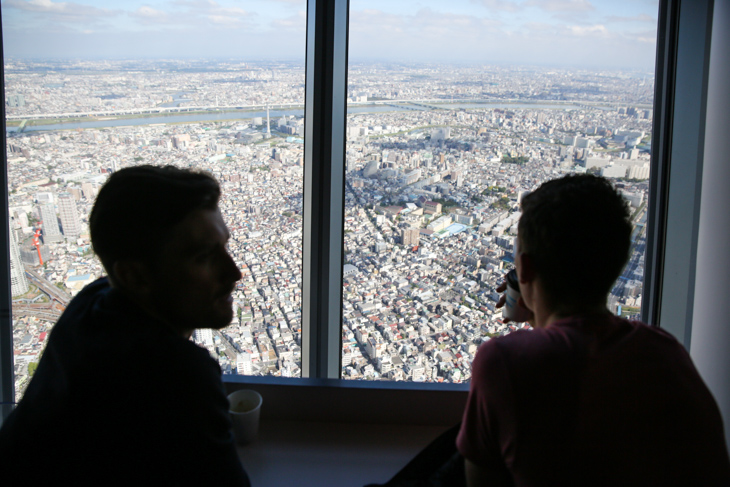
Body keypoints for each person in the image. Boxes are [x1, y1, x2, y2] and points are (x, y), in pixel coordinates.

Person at [457, 174, 730, 486]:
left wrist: (532, 310)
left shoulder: (505, 362)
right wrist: (537, 316)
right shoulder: (666, 351)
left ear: (526, 267)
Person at [0, 165, 251, 486]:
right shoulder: (177, 377)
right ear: (134, 276)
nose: (234, 273)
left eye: (224, 247)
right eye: (204, 256)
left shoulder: (90, 305)